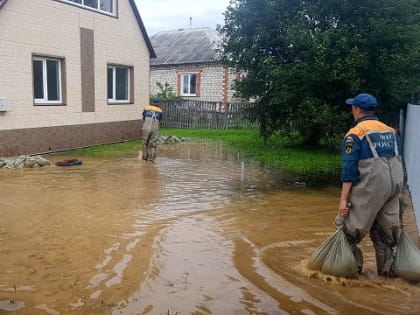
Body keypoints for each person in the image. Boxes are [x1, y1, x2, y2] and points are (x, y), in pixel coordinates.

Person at [336, 93, 404, 277]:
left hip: (372, 187)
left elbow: (349, 169)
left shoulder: (355, 134)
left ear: (357, 110)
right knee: (386, 234)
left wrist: (343, 200)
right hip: (395, 186)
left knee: (351, 232)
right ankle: (387, 277)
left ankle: (350, 272)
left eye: (352, 107)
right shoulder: (390, 131)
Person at [141, 97, 163, 161]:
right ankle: (151, 159)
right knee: (153, 144)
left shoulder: (146, 108)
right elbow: (160, 120)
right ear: (158, 103)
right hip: (155, 128)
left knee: (144, 142)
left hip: (146, 127)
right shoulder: (160, 110)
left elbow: (144, 117)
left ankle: (144, 158)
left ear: (152, 102)